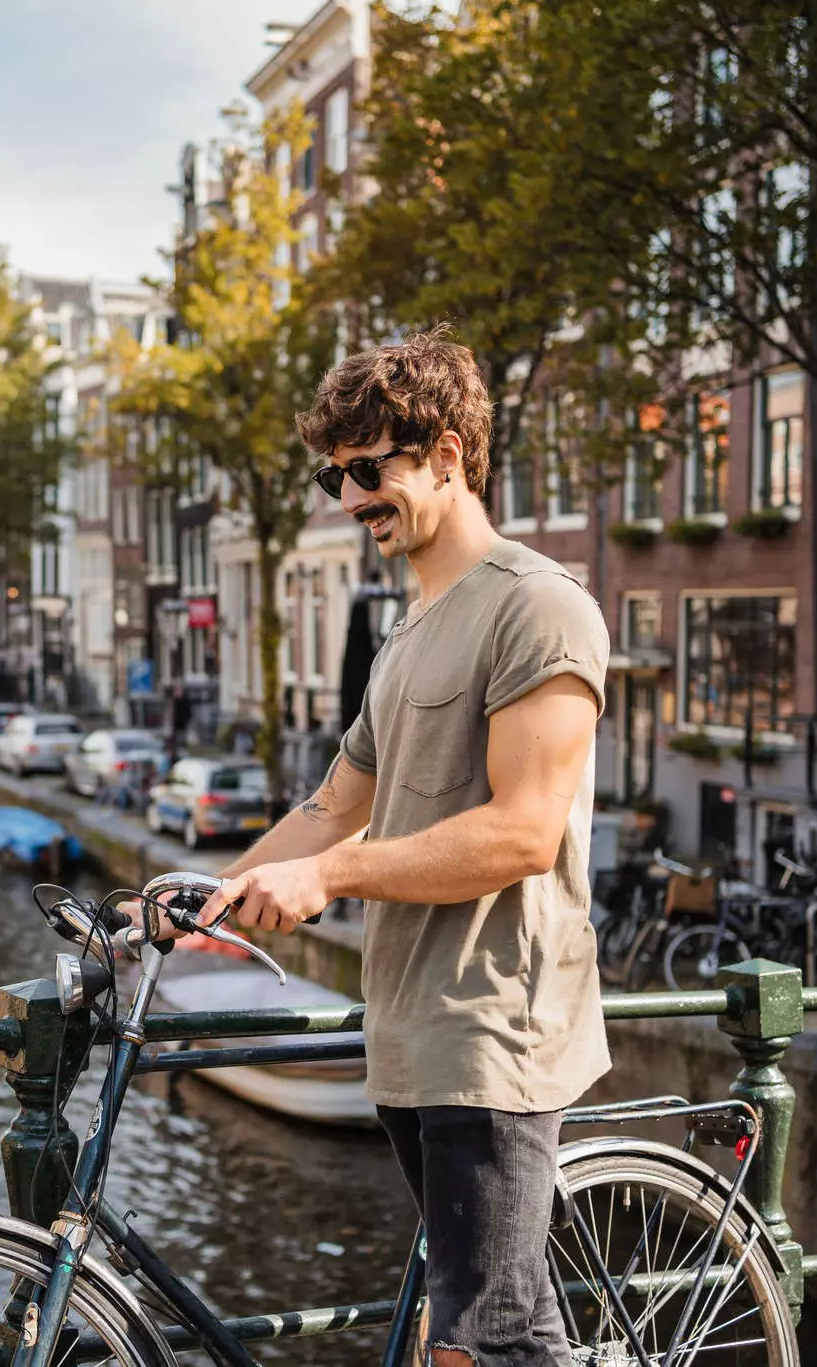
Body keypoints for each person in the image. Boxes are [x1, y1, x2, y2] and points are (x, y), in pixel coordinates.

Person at [196, 326, 608, 1367]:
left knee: (489, 1343)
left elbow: (522, 831)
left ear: (448, 455)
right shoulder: (409, 632)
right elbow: (332, 806)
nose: (348, 498)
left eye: (369, 469)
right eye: (336, 475)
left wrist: (324, 878)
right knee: (471, 1330)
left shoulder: (538, 607)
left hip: (490, 1033)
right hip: (409, 1034)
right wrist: (201, 894)